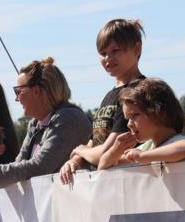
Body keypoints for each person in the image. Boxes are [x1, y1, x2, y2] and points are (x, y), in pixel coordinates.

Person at [0, 57, 91, 188]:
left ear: (36, 91)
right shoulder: (35, 124)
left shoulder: (69, 118)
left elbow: (40, 167)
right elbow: (19, 165)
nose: (17, 98)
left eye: (18, 91)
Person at [60, 19, 146, 184]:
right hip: (104, 185)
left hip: (129, 183)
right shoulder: (109, 95)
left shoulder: (137, 92)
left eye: (115, 51)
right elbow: (94, 142)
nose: (108, 58)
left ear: (137, 48)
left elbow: (106, 152)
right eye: (103, 52)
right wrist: (75, 161)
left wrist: (79, 150)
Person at [97, 78, 185, 169]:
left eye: (135, 115)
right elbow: (102, 165)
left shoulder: (176, 141)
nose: (129, 124)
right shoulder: (147, 147)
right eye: (128, 118)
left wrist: (143, 157)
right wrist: (115, 151)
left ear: (158, 112)